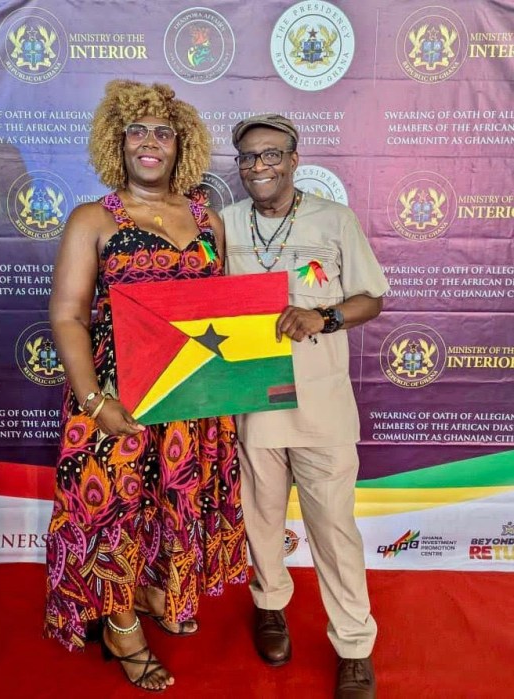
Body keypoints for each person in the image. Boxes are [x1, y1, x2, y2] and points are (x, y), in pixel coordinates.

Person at [44, 80, 247, 692]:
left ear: (180, 144)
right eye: (138, 131)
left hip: (193, 398)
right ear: (118, 142)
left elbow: (229, 314)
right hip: (117, 394)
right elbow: (67, 315)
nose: (150, 142)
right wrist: (95, 399)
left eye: (163, 131)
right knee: (114, 508)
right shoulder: (94, 218)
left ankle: (158, 588)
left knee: (171, 503)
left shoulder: (208, 217)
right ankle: (120, 626)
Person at [221, 113, 389, 698]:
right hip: (253, 404)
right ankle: (269, 606)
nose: (259, 166)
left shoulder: (334, 219)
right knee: (260, 519)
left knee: (334, 530)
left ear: (294, 159)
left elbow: (372, 297)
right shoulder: (223, 224)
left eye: (271, 154)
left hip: (322, 407)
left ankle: (353, 643)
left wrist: (326, 316)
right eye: (247, 157)